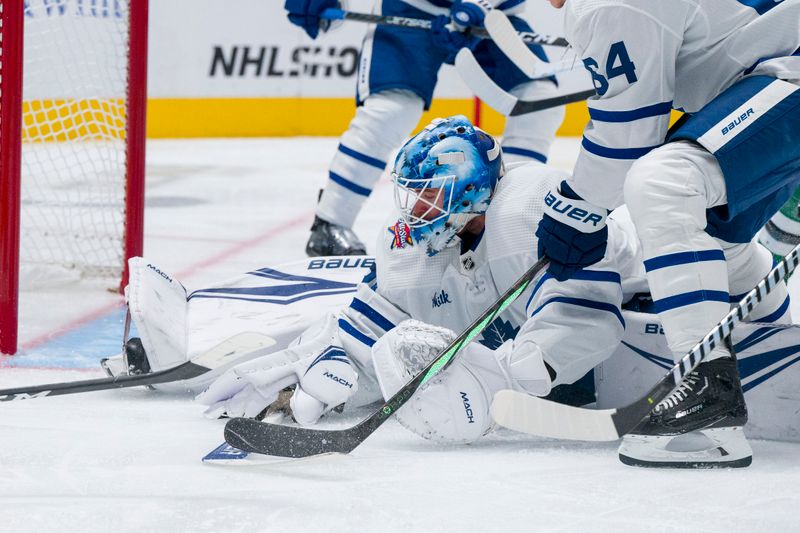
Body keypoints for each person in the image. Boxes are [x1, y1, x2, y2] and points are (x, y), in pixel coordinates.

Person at [196, 115, 790, 465]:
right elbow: (384, 314)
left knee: (752, 283)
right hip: (616, 337)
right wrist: (328, 362)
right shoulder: (419, 241)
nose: (417, 207)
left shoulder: (529, 207)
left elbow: (583, 322)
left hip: (688, 291)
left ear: (474, 190)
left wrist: (507, 378)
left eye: (431, 192)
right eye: (413, 192)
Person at [534, 0, 800, 466]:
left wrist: (575, 209)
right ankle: (770, 338)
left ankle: (706, 395)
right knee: (716, 246)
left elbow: (629, 141)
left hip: (785, 78)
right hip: (764, 86)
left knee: (663, 183)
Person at [284, 0, 566, 256]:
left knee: (539, 101)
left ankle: (507, 216)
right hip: (411, 6)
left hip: (494, 14)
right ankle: (330, 221)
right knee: (391, 110)